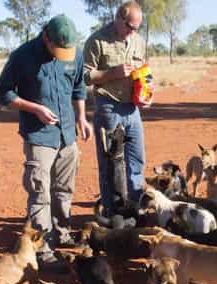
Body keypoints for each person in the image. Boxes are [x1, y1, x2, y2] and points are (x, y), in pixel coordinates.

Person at [0, 14, 92, 266]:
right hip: (39, 136)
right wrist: (33, 108)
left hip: (67, 133)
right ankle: (42, 246)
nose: (63, 53)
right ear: (46, 37)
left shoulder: (74, 54)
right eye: (58, 48)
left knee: (64, 190)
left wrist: (81, 117)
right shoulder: (23, 56)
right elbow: (3, 92)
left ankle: (62, 233)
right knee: (40, 192)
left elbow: (79, 87)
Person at [83, 1, 148, 214]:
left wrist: (147, 93)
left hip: (132, 109)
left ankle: (135, 211)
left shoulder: (138, 41)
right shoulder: (97, 41)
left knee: (136, 161)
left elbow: (145, 72)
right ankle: (111, 214)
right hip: (108, 107)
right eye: (129, 26)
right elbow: (85, 76)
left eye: (136, 28)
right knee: (110, 163)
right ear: (118, 18)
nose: (132, 32)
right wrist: (112, 73)